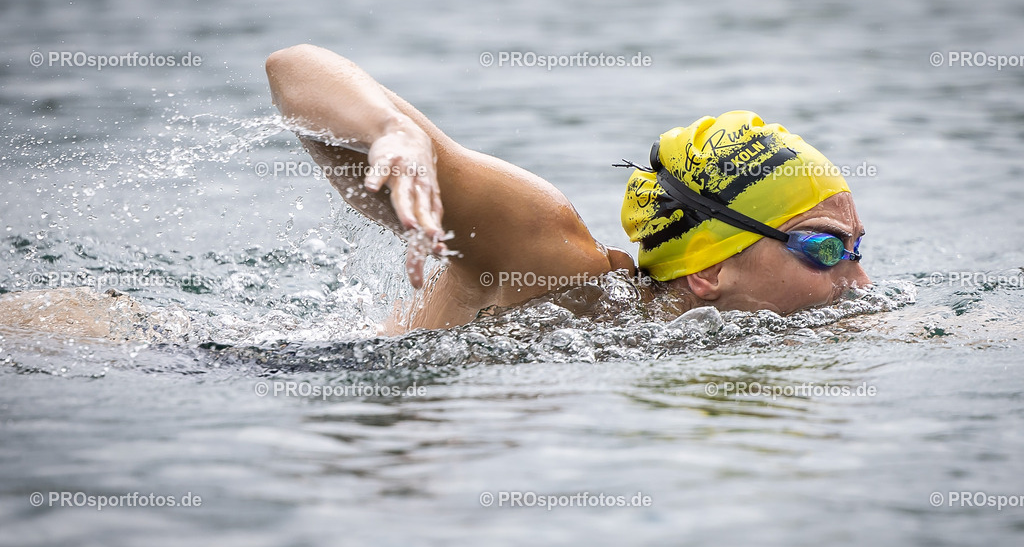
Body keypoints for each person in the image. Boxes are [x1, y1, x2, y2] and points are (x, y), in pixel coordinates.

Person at [264, 44, 870, 332]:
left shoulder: (761, 328)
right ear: (707, 271)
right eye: (823, 248)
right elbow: (293, 66)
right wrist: (392, 130)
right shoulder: (552, 262)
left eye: (857, 248)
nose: (859, 280)